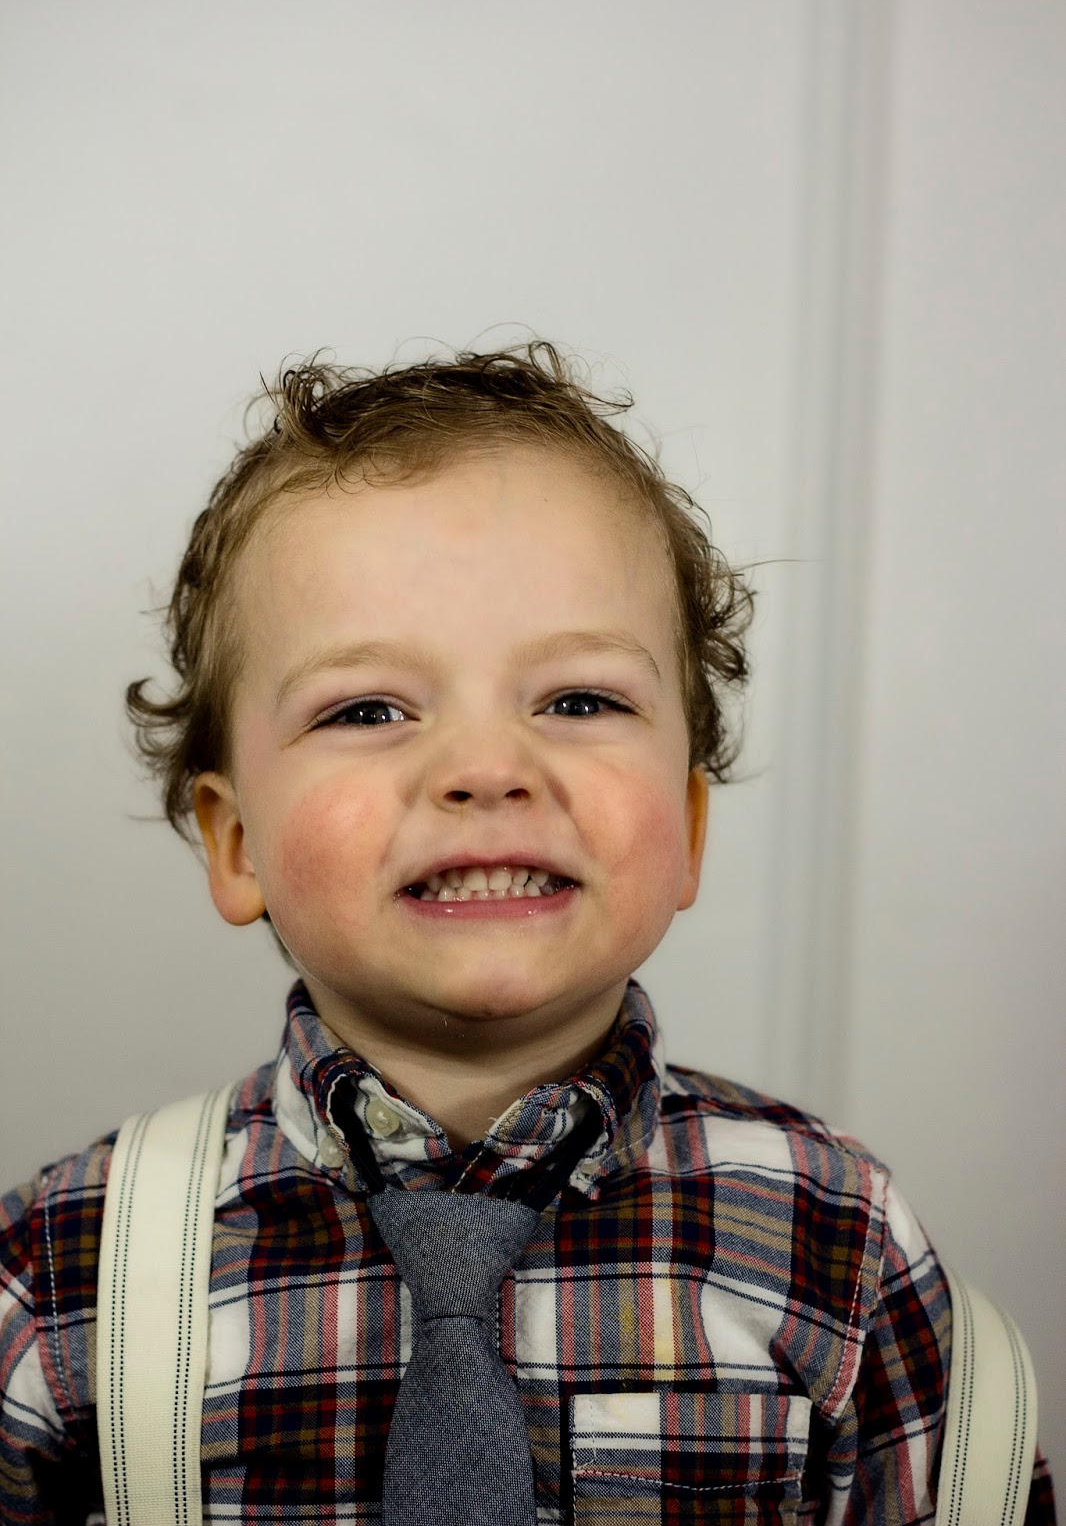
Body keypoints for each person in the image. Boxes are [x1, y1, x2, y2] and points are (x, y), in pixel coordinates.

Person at [0, 342, 1055, 1522]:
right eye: (368, 708)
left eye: (578, 699)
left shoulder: (838, 1238)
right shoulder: (66, 1267)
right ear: (235, 840)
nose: (487, 765)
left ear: (688, 827)